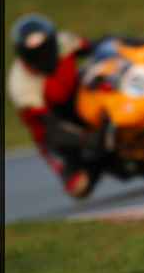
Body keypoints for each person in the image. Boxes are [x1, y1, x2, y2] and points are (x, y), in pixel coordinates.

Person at [7, 13, 113, 199]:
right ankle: (94, 165)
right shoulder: (21, 84)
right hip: (54, 128)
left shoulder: (64, 42)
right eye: (36, 54)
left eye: (47, 49)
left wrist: (134, 42)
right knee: (79, 186)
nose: (44, 56)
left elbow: (100, 45)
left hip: (78, 100)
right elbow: (53, 131)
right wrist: (89, 140)